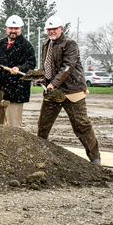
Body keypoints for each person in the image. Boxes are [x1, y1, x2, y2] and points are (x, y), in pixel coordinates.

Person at [37, 16, 101, 165]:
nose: (52, 31)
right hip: (53, 91)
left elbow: (67, 66)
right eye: (49, 29)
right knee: (43, 125)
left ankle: (95, 159)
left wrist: (53, 83)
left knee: (81, 125)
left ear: (61, 29)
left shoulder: (70, 44)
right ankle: (39, 155)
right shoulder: (46, 44)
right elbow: (48, 67)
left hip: (73, 90)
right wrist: (41, 78)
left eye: (55, 28)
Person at [0, 15, 36, 127]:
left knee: (13, 126)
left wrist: (19, 68)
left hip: (16, 90)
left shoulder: (26, 46)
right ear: (6, 29)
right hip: (0, 88)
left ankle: (15, 145)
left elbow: (31, 64)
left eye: (16, 28)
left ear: (21, 29)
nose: (13, 31)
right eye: (11, 28)